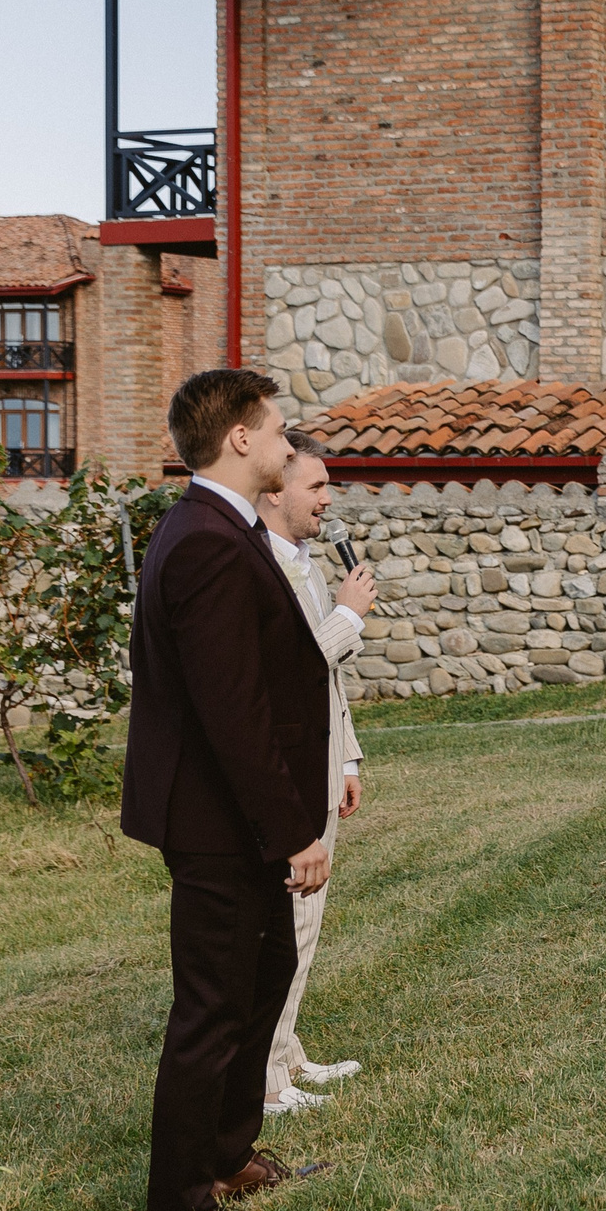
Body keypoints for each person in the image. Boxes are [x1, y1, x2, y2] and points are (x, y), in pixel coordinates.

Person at [123, 370, 333, 1211]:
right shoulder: (206, 540)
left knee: (265, 975)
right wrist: (295, 832)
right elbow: (232, 710)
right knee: (212, 1005)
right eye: (280, 430)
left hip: (233, 814)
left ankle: (229, 1152)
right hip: (216, 819)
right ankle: (179, 1206)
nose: (290, 445)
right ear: (240, 439)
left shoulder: (224, 527)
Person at [255, 431, 379, 1113]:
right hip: (285, 771)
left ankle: (288, 1052)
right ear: (276, 489)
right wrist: (346, 616)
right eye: (317, 486)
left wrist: (350, 755)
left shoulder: (305, 561)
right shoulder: (263, 567)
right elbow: (290, 669)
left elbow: (326, 683)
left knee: (309, 927)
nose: (328, 499)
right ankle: (266, 1082)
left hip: (323, 765)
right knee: (285, 929)